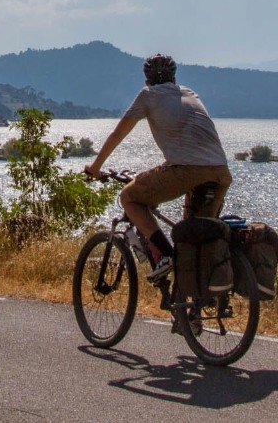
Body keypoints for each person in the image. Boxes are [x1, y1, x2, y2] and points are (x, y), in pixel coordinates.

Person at [84, 53, 231, 281]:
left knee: (129, 197)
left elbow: (117, 133)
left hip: (186, 170)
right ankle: (193, 308)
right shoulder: (189, 93)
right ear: (174, 80)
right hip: (221, 172)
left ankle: (165, 254)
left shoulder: (148, 95)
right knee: (195, 240)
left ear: (147, 81)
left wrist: (95, 166)